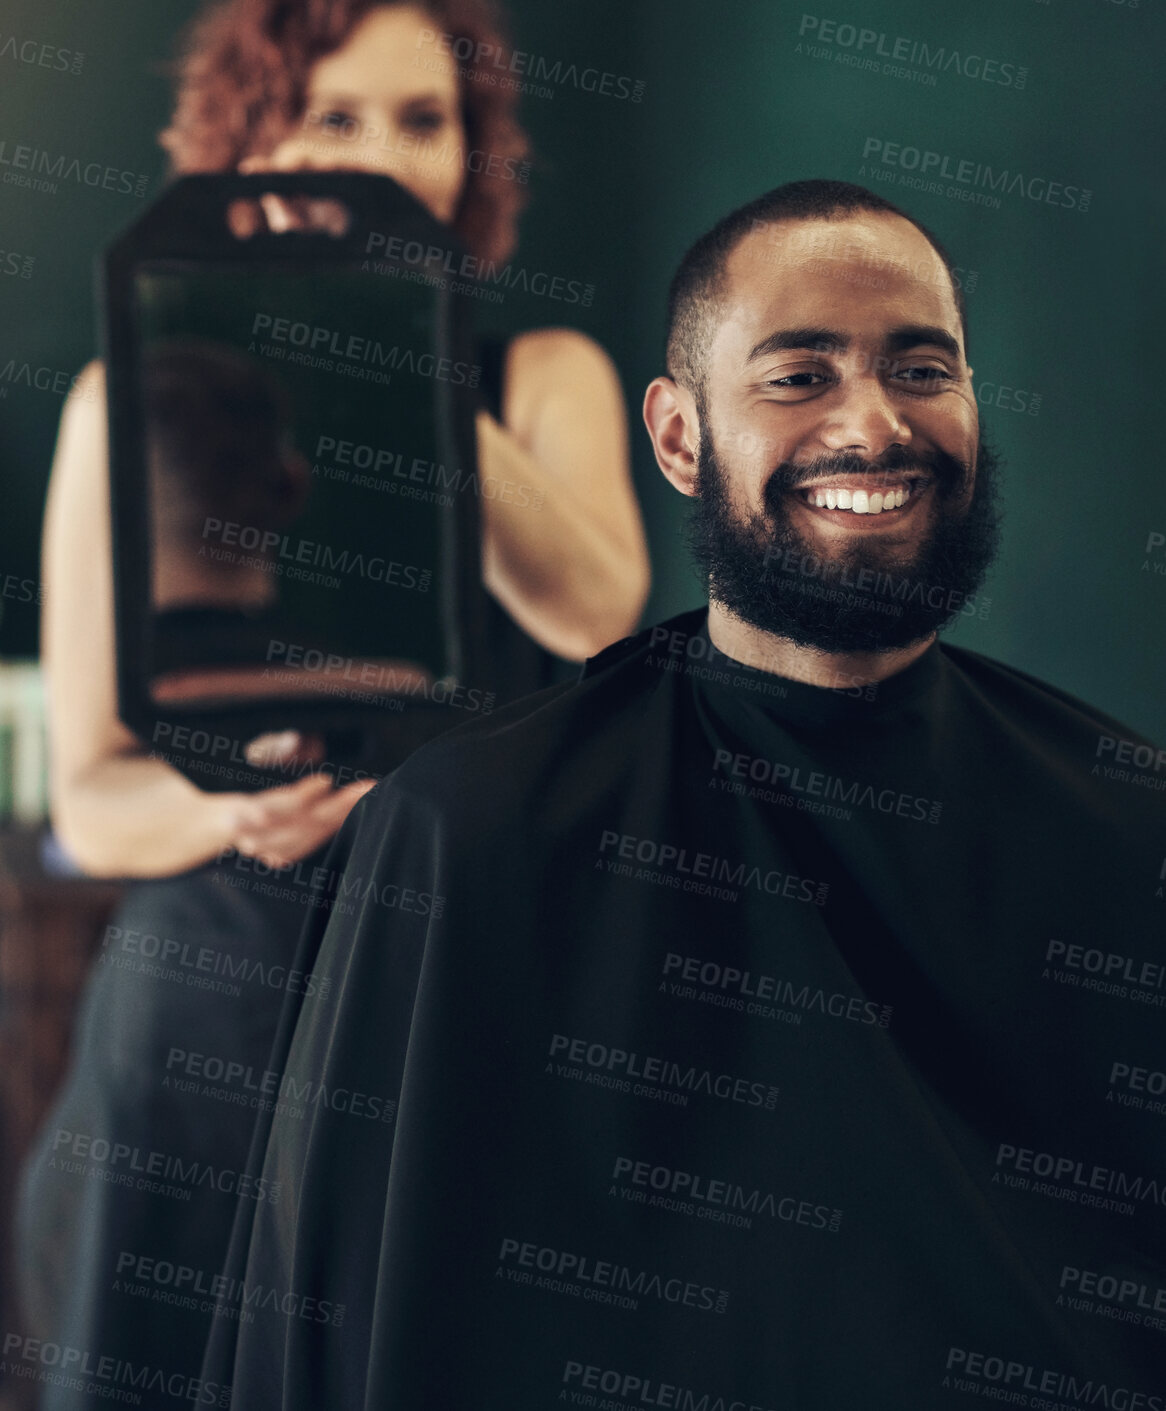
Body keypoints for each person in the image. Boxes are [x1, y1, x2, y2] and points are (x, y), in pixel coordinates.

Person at [203, 180, 1164, 1409]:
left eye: (921, 368)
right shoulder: (471, 826)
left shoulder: (1122, 824)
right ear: (677, 436)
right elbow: (346, 1329)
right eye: (796, 375)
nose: (873, 425)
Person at [18, 0, 649, 1403]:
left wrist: (403, 340)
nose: (381, 158)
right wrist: (243, 814)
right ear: (250, 143)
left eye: (420, 122)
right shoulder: (128, 402)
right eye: (332, 119)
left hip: (467, 1000)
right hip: (211, 1011)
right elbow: (96, 803)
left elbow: (598, 610)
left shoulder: (542, 376)